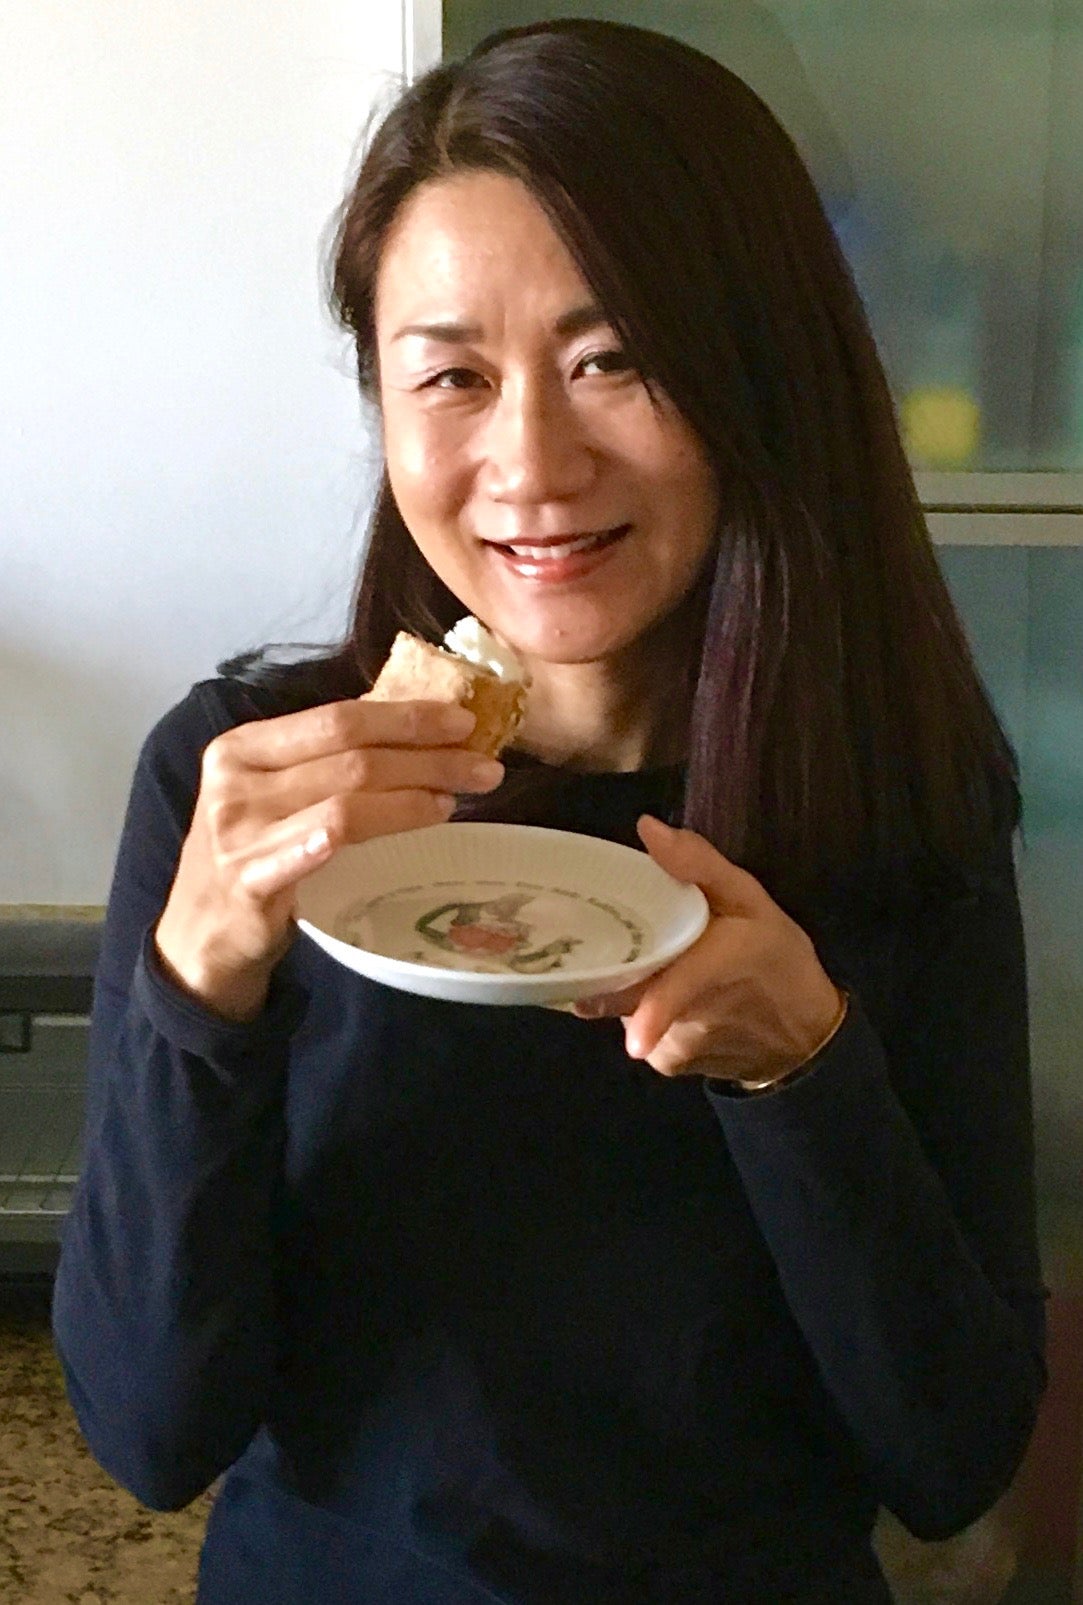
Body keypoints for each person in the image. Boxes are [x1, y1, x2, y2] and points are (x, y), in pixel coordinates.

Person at [52, 18, 1046, 1604]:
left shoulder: (898, 800)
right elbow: (150, 1430)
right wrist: (200, 986)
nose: (529, 462)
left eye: (616, 359)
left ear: (763, 377)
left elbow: (952, 1453)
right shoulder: (243, 782)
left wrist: (806, 1069)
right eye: (451, 374)